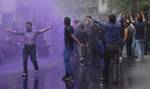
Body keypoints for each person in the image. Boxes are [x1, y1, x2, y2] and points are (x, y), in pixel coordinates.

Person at [87, 13, 122, 82]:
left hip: (108, 46)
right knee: (115, 63)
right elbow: (119, 19)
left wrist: (91, 17)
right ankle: (115, 79)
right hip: (116, 46)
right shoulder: (118, 25)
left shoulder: (107, 26)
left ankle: (105, 77)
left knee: (106, 62)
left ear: (109, 20)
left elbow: (99, 22)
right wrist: (120, 15)